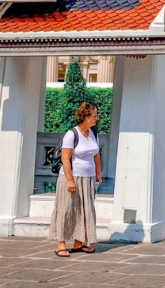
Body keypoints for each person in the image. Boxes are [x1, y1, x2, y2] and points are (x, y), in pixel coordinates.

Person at [50, 102, 101, 257]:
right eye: (93, 116)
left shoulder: (93, 134)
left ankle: (79, 242)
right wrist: (70, 180)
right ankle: (61, 244)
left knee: (84, 210)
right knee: (66, 209)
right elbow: (65, 159)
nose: (96, 119)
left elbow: (96, 155)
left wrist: (98, 174)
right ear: (85, 116)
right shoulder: (72, 134)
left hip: (88, 179)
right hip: (72, 177)